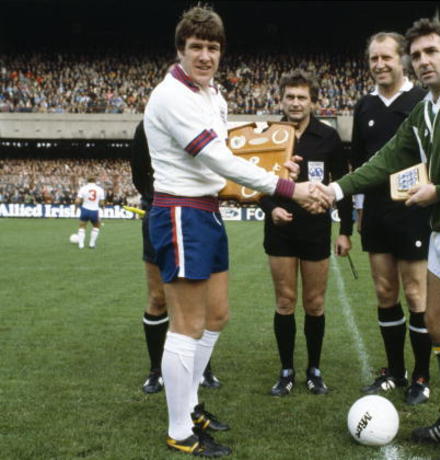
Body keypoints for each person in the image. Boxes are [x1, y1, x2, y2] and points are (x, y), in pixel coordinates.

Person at [319, 17, 440, 460]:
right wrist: (335, 190)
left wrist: (439, 191)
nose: (423, 60)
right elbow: (386, 158)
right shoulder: (425, 109)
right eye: (417, 54)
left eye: (431, 52)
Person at [143, 5, 325, 457]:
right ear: (180, 50)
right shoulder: (171, 96)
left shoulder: (211, 95)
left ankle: (190, 405)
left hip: (207, 210)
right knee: (185, 326)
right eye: (196, 47)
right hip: (181, 212)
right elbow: (218, 161)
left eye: (212, 48)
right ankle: (179, 429)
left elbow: (228, 166)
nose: (205, 56)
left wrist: (271, 167)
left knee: (217, 315)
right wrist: (289, 187)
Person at [259, 70, 353, 397]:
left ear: (313, 101)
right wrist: (271, 208)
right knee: (285, 302)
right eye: (290, 97)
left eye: (302, 97)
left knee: (314, 303)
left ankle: (314, 369)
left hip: (315, 230)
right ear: (281, 100)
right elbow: (255, 182)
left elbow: (344, 185)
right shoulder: (270, 135)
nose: (296, 103)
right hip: (280, 230)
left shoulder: (328, 137)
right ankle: (286, 370)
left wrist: (345, 231)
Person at [351, 32, 432, 405]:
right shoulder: (364, 106)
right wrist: (357, 213)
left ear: (402, 60)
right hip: (377, 214)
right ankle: (395, 371)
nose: (379, 65)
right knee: (385, 293)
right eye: (373, 58)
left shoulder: (422, 100)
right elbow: (358, 164)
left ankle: (421, 375)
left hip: (414, 211)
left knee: (416, 293)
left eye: (386, 57)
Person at [131, 121, 223, 395]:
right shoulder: (147, 125)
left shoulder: (205, 119)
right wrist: (156, 197)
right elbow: (139, 173)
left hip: (199, 213)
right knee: (158, 297)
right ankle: (156, 370)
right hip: (160, 213)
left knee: (200, 297)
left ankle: (202, 367)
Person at [75, 177, 105, 249]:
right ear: (95, 181)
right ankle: (91, 244)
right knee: (96, 226)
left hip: (85, 209)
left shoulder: (83, 188)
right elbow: (102, 202)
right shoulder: (100, 189)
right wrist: (102, 208)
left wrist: (75, 208)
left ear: (87, 181)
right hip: (94, 210)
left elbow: (77, 201)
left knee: (82, 226)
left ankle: (81, 245)